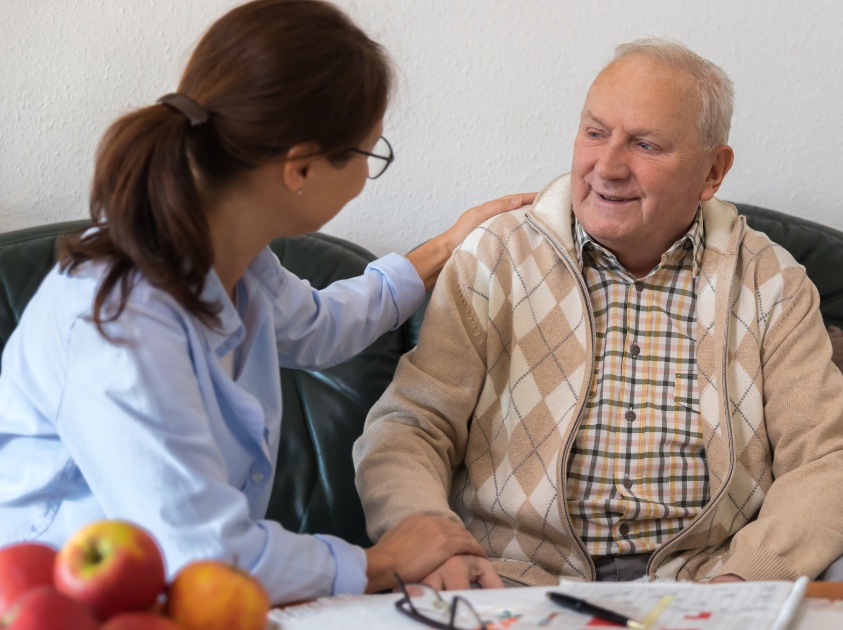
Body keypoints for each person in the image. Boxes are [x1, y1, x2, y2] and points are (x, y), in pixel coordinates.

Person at [353, 39, 843, 589]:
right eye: (595, 133)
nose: (606, 167)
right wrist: (433, 542)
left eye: (645, 145)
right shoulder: (496, 256)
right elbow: (411, 427)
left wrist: (746, 579)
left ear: (712, 172)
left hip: (713, 576)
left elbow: (826, 459)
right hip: (519, 579)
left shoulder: (772, 281)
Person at [0, 0, 521, 604]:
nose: (364, 176)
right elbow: (199, 552)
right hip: (61, 601)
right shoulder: (119, 323)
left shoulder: (233, 257)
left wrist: (449, 245)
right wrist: (380, 562)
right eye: (369, 154)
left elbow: (322, 328)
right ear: (299, 169)